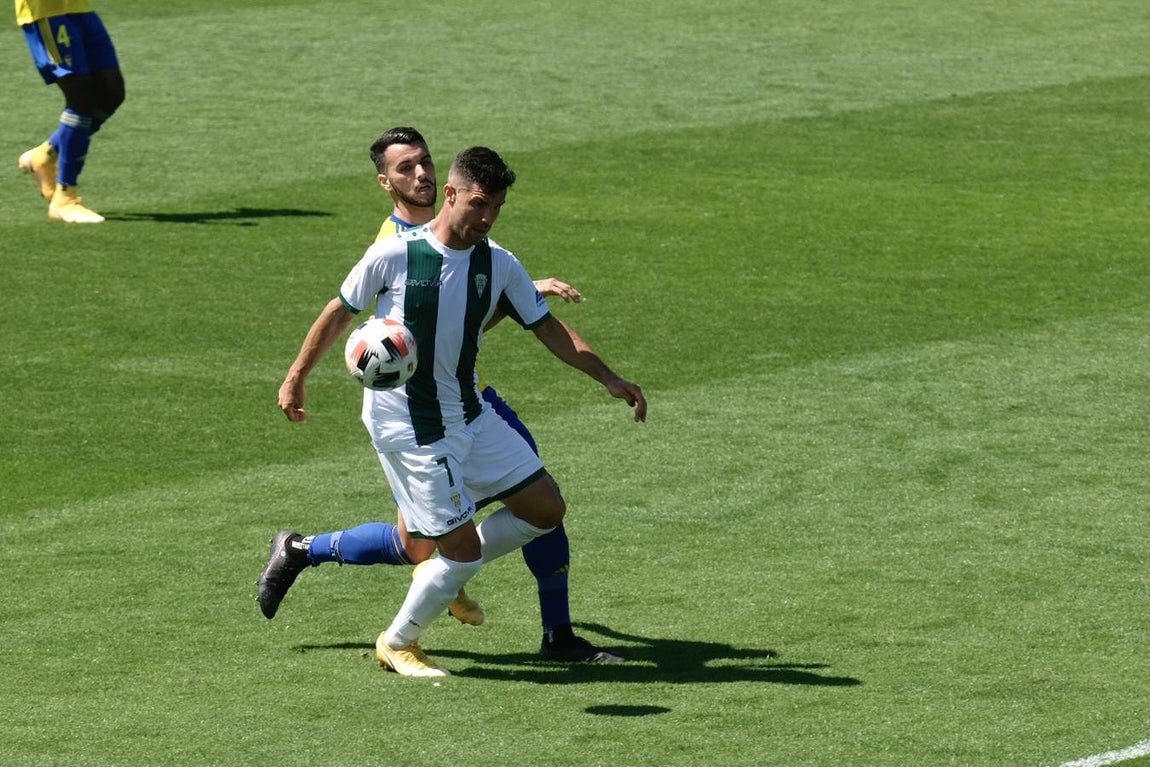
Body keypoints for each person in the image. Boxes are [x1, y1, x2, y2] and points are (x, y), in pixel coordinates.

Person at [259, 128, 626, 664]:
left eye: (497, 207)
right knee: (453, 549)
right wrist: (296, 376)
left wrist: (610, 379)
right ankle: (399, 642)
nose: (488, 217)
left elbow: (540, 328)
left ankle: (426, 572)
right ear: (452, 194)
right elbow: (341, 311)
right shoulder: (394, 252)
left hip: (470, 409)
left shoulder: (498, 262)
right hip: (412, 425)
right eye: (480, 204)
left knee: (540, 509)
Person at [15, 0, 124, 223]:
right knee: (81, 98)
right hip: (47, 12)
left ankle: (43, 156)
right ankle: (65, 199)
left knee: (111, 92)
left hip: (80, 8)